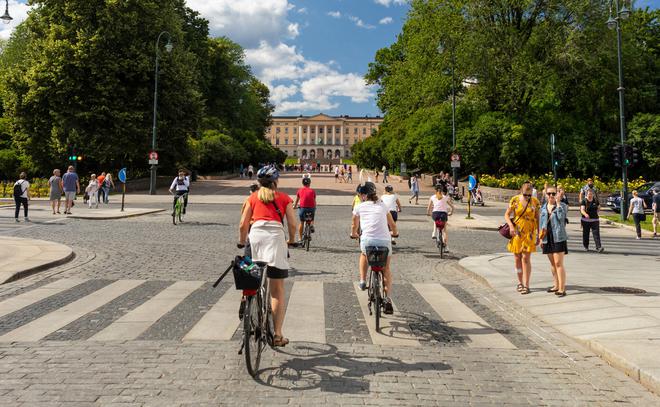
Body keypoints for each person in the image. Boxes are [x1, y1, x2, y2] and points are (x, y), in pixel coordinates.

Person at [238, 165, 297, 347]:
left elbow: (243, 224)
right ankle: (278, 335)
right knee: (277, 289)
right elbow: (293, 224)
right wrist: (292, 240)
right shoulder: (284, 198)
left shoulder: (252, 198)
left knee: (249, 276)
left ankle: (246, 299)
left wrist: (242, 242)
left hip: (254, 238)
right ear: (276, 181)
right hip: (275, 239)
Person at [350, 182, 398, 314]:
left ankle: (362, 280)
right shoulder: (382, 205)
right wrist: (395, 233)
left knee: (364, 254)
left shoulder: (359, 206)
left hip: (367, 241)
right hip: (384, 241)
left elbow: (354, 225)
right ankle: (388, 299)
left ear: (364, 195)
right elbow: (392, 224)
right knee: (386, 269)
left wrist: (354, 234)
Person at [504, 182, 540, 295]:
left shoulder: (535, 202)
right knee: (517, 257)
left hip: (529, 232)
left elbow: (538, 218)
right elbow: (506, 214)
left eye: (530, 195)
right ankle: (519, 282)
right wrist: (510, 225)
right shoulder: (515, 200)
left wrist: (539, 234)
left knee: (526, 258)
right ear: (521, 191)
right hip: (517, 232)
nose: (528, 197)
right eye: (526, 195)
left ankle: (526, 284)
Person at [540, 186, 569, 297]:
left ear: (557, 194)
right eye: (549, 194)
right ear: (546, 195)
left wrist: (557, 204)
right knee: (552, 263)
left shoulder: (562, 206)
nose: (551, 195)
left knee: (558, 263)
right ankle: (556, 285)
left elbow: (561, 219)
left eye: (553, 193)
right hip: (547, 237)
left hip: (559, 237)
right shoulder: (543, 208)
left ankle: (562, 288)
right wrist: (540, 238)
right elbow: (541, 224)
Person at [293, 176, 317, 242]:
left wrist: (295, 206)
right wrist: (314, 207)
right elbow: (314, 200)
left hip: (303, 209)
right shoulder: (312, 191)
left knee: (302, 222)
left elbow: (297, 200)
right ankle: (311, 225)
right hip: (311, 208)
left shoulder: (300, 190)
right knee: (312, 216)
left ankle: (300, 238)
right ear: (309, 184)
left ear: (302, 184)